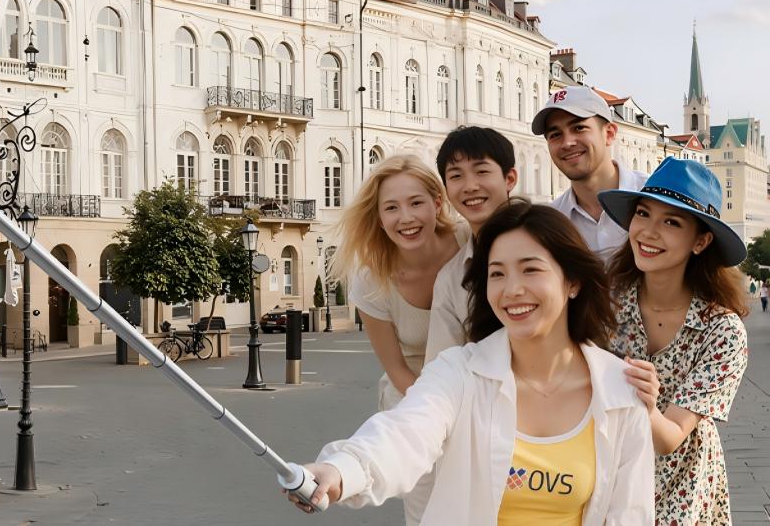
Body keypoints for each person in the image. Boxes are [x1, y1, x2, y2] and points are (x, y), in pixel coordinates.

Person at [288, 202, 654, 523]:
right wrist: (342, 469)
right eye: (497, 273)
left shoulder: (620, 390)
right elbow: (404, 434)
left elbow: (631, 513)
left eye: (530, 270)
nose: (512, 290)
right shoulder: (459, 373)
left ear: (572, 281)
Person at [600, 157, 749, 525]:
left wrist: (647, 406)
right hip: (611, 476)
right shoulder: (605, 306)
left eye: (671, 222)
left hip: (684, 485)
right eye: (643, 213)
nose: (648, 232)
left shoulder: (722, 331)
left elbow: (669, 438)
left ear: (700, 241)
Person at [329, 154, 466, 525]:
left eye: (416, 203)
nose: (405, 218)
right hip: (413, 399)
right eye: (391, 208)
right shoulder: (372, 280)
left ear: (437, 204)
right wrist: (438, 413)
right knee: (426, 515)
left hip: (475, 398)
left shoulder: (469, 244)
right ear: (379, 217)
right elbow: (396, 368)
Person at [427, 126, 518, 361]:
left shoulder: (550, 240)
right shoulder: (452, 277)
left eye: (481, 171)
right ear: (446, 190)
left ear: (509, 178)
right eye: (456, 176)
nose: (470, 186)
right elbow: (442, 365)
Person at [532, 85, 648, 258]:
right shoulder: (551, 222)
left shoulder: (653, 197)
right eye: (555, 135)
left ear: (609, 134)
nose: (567, 143)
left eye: (578, 128)